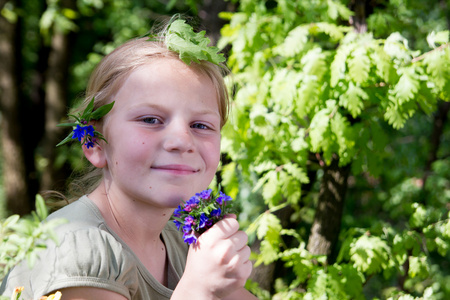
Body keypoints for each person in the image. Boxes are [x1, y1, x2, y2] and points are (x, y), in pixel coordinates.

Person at [0, 19, 257, 300]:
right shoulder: (78, 250)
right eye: (150, 120)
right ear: (94, 142)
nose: (183, 141)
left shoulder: (182, 243)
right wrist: (199, 289)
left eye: (201, 125)